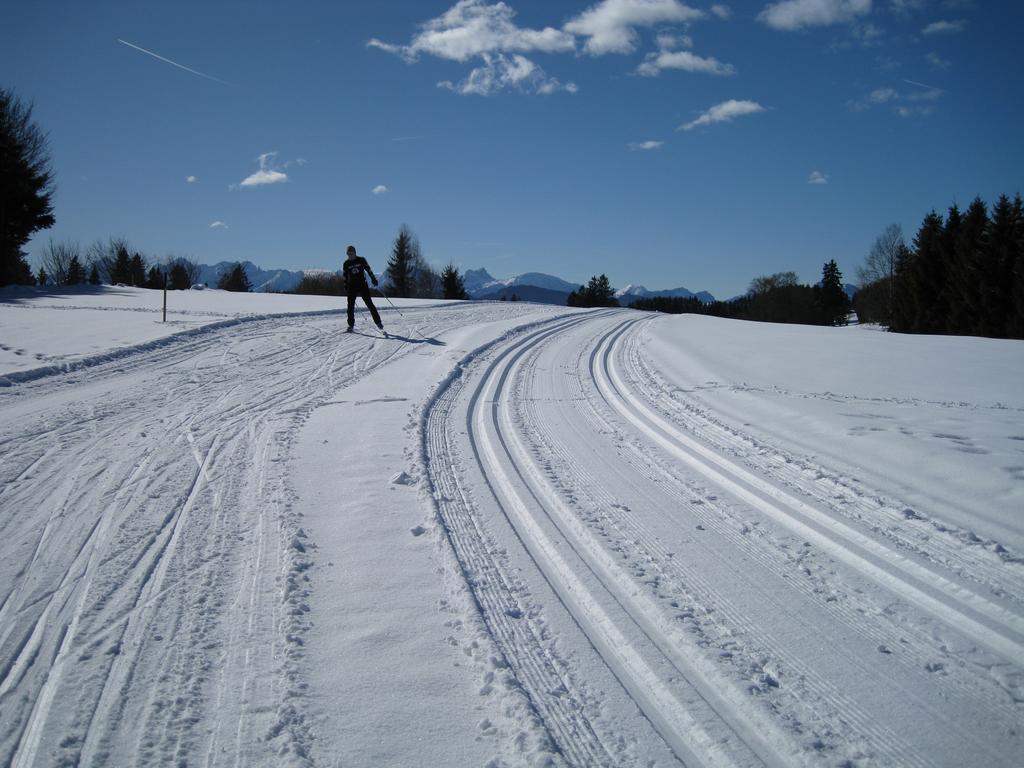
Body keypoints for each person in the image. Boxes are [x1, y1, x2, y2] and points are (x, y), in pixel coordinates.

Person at [342, 245, 384, 333]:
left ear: (355, 253)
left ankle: (378, 322)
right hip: (352, 286)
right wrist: (345, 285)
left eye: (351, 253)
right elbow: (345, 276)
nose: (350, 255)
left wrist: (373, 278)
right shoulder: (346, 264)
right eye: (348, 254)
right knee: (350, 306)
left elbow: (368, 270)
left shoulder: (361, 260)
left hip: (362, 285)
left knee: (369, 304)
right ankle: (351, 325)